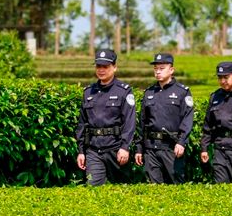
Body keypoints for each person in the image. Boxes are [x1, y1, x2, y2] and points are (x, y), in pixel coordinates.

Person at [75, 49, 136, 186]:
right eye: (98, 66)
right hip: (94, 151)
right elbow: (82, 124)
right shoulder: (88, 92)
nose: (101, 70)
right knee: (93, 190)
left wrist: (125, 147)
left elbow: (129, 122)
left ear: (114, 67)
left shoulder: (124, 91)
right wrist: (81, 151)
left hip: (116, 149)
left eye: (105, 66)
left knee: (122, 190)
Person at [135, 53, 194, 183]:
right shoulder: (149, 92)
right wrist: (139, 148)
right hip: (151, 148)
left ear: (171, 70)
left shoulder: (182, 92)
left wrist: (181, 141)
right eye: (155, 69)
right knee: (154, 190)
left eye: (161, 68)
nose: (158, 72)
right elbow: (143, 123)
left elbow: (187, 119)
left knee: (176, 187)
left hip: (171, 147)